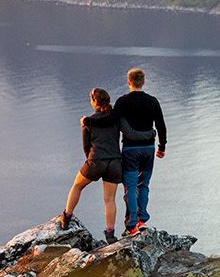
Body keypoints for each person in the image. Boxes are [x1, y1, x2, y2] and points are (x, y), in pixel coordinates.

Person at [84, 68, 166, 236]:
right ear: (143, 82)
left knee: (130, 187)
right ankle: (142, 220)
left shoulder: (123, 102)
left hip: (130, 150)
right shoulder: (153, 101)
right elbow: (161, 125)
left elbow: (110, 119)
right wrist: (162, 146)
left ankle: (132, 225)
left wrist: (88, 121)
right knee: (143, 185)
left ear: (128, 82)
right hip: (149, 150)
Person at [58, 88, 123, 244]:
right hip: (114, 162)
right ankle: (110, 234)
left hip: (95, 161)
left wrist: (93, 161)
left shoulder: (88, 122)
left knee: (77, 186)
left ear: (94, 102)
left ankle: (66, 217)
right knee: (110, 200)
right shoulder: (114, 119)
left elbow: (86, 148)